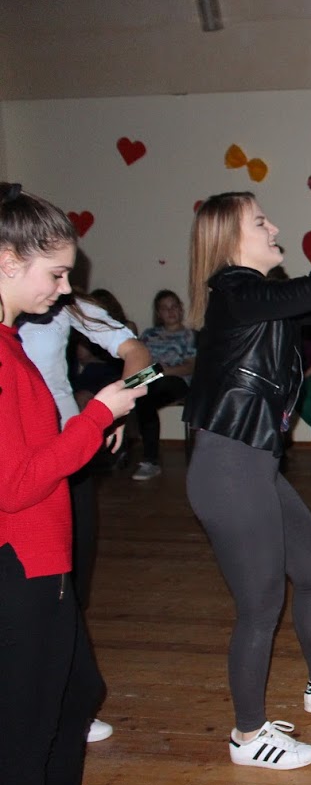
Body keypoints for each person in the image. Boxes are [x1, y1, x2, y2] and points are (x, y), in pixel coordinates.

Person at [183, 183, 311, 771]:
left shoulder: (257, 301)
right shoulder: (234, 291)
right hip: (229, 467)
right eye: (261, 222)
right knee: (260, 604)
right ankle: (248, 735)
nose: (274, 230)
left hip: (254, 464)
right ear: (229, 239)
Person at [0, 181, 144, 785]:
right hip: (21, 567)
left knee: (76, 694)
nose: (64, 289)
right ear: (9, 261)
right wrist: (95, 417)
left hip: (42, 563)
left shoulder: (11, 341)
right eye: (56, 274)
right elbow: (14, 484)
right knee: (25, 736)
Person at [20, 291, 153, 746]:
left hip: (70, 456)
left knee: (71, 588)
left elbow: (142, 357)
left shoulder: (65, 305)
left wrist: (119, 407)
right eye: (57, 271)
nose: (64, 283)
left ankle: (70, 705)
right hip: (20, 466)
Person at [131, 289, 197, 480]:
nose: (170, 311)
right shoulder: (149, 334)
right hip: (149, 377)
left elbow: (191, 366)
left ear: (180, 309)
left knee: (146, 396)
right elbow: (137, 361)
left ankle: (150, 461)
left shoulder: (188, 335)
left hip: (176, 379)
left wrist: (164, 371)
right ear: (158, 313)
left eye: (174, 306)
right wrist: (131, 381)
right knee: (126, 390)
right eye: (165, 308)